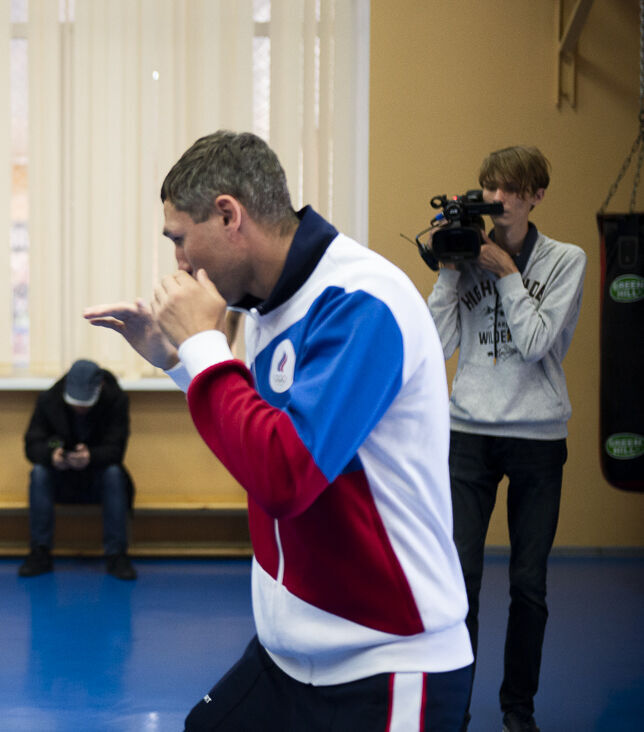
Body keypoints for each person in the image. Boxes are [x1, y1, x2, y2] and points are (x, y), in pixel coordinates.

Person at [85, 130, 473, 730]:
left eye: (181, 241)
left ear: (228, 215)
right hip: (292, 654)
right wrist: (177, 358)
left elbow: (285, 474)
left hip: (386, 661)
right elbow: (260, 426)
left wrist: (204, 344)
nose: (180, 266)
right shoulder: (269, 302)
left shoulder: (361, 302)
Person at [427, 146, 586, 732]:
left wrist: (510, 276)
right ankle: (455, 709)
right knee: (460, 580)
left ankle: (518, 708)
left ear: (536, 195)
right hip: (468, 432)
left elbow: (540, 341)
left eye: (510, 189)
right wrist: (449, 272)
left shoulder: (568, 259)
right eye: (490, 188)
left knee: (529, 584)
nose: (498, 200)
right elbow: (435, 347)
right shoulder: (466, 255)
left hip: (538, 437)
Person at [19, 359, 136, 581]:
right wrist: (52, 454)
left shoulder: (116, 401)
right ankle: (40, 553)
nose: (80, 408)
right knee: (39, 473)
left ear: (100, 386)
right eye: (75, 402)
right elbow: (33, 444)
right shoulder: (48, 400)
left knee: (114, 473)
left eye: (86, 403)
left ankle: (117, 555)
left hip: (97, 477)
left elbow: (116, 450)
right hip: (60, 478)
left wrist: (91, 456)